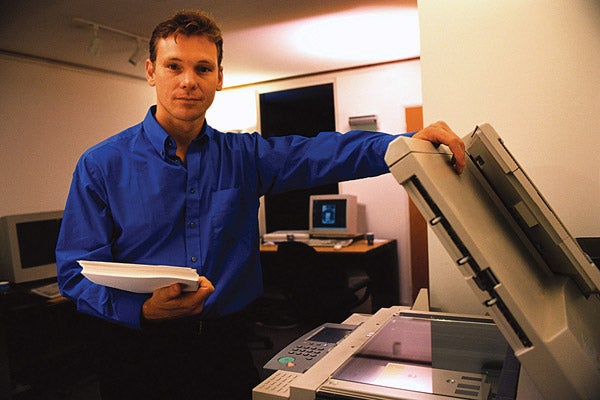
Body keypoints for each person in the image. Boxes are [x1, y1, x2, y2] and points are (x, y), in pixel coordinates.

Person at [56, 9, 466, 400]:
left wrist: (403, 144)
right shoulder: (101, 164)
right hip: (137, 352)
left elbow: (324, 152)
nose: (188, 81)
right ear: (150, 72)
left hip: (224, 349)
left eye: (202, 68)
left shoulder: (244, 156)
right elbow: (75, 273)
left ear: (219, 78)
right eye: (173, 66)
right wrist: (143, 310)